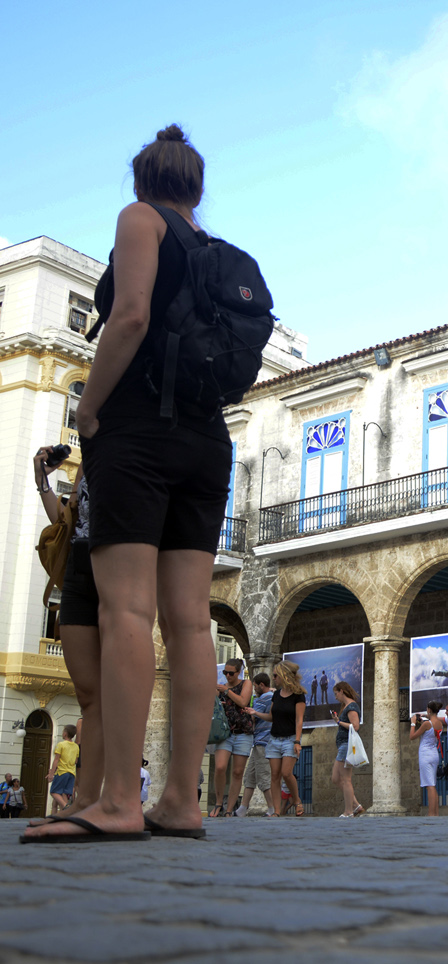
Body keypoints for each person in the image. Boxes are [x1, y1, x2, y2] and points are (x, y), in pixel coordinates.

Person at [26, 127, 235, 843]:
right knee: (190, 621)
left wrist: (89, 410)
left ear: (143, 181)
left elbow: (132, 315)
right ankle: (179, 801)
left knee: (126, 610)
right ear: (197, 188)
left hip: (140, 436)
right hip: (207, 442)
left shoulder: (140, 219)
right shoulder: (213, 251)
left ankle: (117, 801)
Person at [34, 447, 106, 824]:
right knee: (88, 696)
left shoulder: (133, 441)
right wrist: (43, 481)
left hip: (118, 567)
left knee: (113, 692)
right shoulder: (87, 462)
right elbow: (65, 522)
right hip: (78, 571)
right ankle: (86, 799)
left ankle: (113, 795)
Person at [248, 659, 306, 816]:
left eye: (275, 675)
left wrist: (297, 741)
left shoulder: (298, 696)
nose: (273, 678)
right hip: (274, 739)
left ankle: (297, 800)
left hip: (290, 739)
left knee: (286, 773)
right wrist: (255, 713)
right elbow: (271, 717)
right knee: (274, 775)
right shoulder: (276, 695)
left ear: (283, 675)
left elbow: (299, 720)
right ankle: (276, 811)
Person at [209, 658, 253, 817]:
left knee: (237, 772)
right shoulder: (220, 688)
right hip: (225, 733)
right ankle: (218, 803)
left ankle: (229, 809)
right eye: (225, 672)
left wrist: (227, 691)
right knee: (220, 767)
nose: (227, 675)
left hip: (243, 733)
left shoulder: (246, 683)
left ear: (238, 672)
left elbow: (243, 701)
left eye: (231, 673)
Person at [237, 673, 274, 816]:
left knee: (264, 777)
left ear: (261, 685)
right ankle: (242, 808)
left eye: (255, 686)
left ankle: (271, 809)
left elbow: (251, 718)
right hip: (261, 741)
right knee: (250, 776)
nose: (254, 689)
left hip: (262, 742)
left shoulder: (263, 699)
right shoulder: (272, 696)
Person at [330, 680, 365, 817]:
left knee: (346, 779)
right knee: (335, 778)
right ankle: (356, 805)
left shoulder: (351, 707)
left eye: (336, 694)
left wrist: (339, 722)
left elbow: (355, 726)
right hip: (342, 745)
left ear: (342, 691)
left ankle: (349, 811)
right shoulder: (346, 707)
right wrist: (337, 720)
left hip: (346, 745)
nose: (335, 697)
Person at [410, 701, 445, 816]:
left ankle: (431, 814)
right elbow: (430, 725)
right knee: (432, 785)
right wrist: (424, 717)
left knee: (429, 786)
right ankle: (436, 813)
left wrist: (413, 723)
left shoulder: (427, 724)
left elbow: (412, 736)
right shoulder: (439, 723)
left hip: (425, 755)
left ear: (429, 709)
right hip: (434, 754)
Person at [48, 725, 80, 812]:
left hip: (62, 772)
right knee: (64, 794)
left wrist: (51, 773)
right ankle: (65, 814)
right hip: (71, 773)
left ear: (65, 733)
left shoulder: (61, 744)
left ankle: (66, 806)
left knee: (54, 792)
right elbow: (76, 761)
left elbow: (56, 760)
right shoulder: (76, 746)